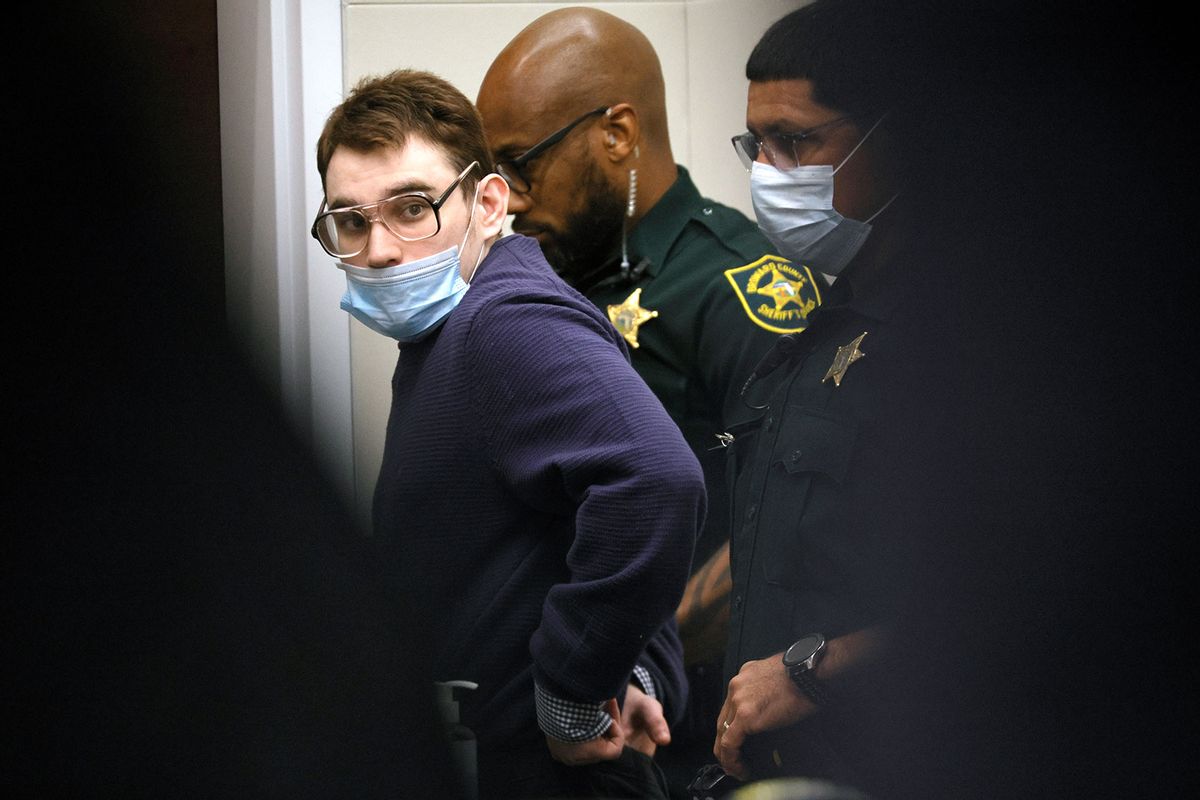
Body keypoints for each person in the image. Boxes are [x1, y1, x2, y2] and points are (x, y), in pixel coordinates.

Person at [310, 68, 705, 799]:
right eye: (351, 221)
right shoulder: (450, 332)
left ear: (488, 203)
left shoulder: (504, 320)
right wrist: (633, 671)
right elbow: (574, 525)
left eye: (412, 207)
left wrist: (572, 697)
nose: (382, 249)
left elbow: (656, 481)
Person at [475, 9, 821, 790]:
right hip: (574, 718)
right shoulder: (553, 279)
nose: (510, 198)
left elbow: (794, 529)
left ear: (618, 135)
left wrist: (632, 653)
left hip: (698, 732)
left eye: (520, 164)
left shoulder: (740, 289)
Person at [708, 0, 932, 792]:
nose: (768, 172)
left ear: (897, 135)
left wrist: (813, 672)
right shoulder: (828, 320)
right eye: (756, 144)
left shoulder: (967, 337)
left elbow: (1019, 596)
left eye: (796, 142)